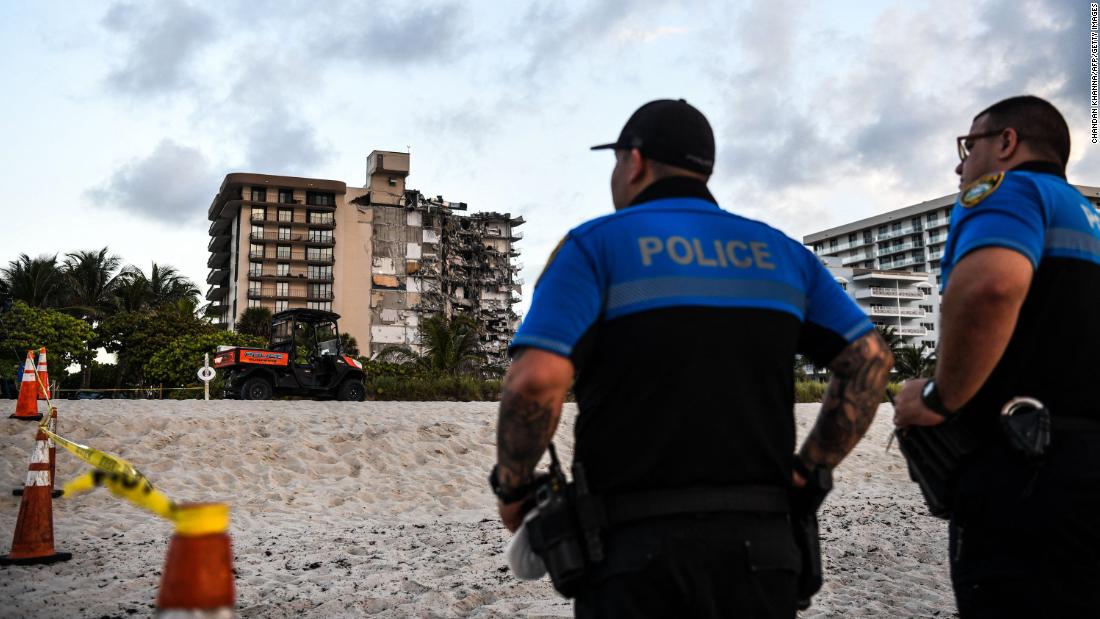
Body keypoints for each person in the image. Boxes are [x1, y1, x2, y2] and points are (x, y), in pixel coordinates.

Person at [490, 99, 893, 618]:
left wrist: (514, 485)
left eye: (615, 161)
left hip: (632, 552)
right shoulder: (782, 253)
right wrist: (811, 466)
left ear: (634, 162)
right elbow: (869, 360)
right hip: (762, 547)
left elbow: (534, 380)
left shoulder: (595, 246)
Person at [894, 95, 1100, 617]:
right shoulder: (1090, 218)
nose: (960, 164)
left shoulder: (1011, 191)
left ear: (1007, 143)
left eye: (968, 146)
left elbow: (989, 288)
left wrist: (940, 398)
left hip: (1027, 471)